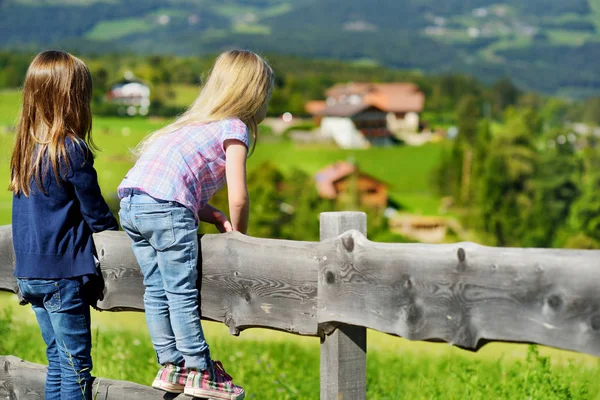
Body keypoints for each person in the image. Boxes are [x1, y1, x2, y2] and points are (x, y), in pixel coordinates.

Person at [117, 49, 274, 400]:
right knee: (181, 293)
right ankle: (201, 371)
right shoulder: (234, 127)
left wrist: (209, 213)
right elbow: (240, 197)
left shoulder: (191, 124)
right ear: (254, 95)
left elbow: (169, 182)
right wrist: (240, 236)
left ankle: (171, 365)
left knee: (156, 290)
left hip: (131, 203)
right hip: (166, 209)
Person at [10, 50, 119, 400]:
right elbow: (96, 212)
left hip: (29, 272)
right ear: (73, 99)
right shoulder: (70, 149)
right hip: (61, 273)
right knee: (76, 366)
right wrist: (116, 238)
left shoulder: (26, 149)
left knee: (57, 359)